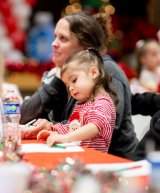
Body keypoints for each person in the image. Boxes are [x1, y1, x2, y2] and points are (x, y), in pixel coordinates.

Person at [20, 11, 139, 159]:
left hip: (116, 162)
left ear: (85, 48)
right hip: (75, 156)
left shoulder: (105, 71)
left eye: (63, 38)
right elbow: (23, 115)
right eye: (55, 36)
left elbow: (102, 124)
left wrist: (56, 129)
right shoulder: (58, 73)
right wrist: (57, 82)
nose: (53, 43)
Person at [38, 48, 119, 152]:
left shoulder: (103, 103)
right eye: (67, 86)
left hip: (93, 161)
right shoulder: (83, 104)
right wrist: (53, 131)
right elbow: (71, 128)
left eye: (74, 80)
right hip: (78, 157)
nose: (71, 88)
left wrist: (65, 138)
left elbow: (95, 126)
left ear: (94, 73)